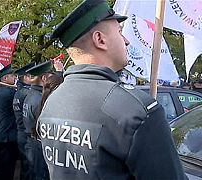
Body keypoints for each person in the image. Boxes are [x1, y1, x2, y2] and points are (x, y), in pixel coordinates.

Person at [37, 0, 187, 180]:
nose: (126, 40)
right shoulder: (137, 110)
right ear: (100, 40)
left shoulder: (52, 101)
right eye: (120, 32)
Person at [0, 64, 18, 180]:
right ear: (5, 78)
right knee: (7, 171)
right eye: (12, 76)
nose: (15, 78)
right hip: (7, 137)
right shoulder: (9, 93)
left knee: (0, 169)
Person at [13, 62, 36, 180]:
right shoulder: (28, 93)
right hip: (27, 135)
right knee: (29, 169)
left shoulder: (19, 91)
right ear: (26, 77)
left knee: (25, 167)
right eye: (32, 75)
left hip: (20, 132)